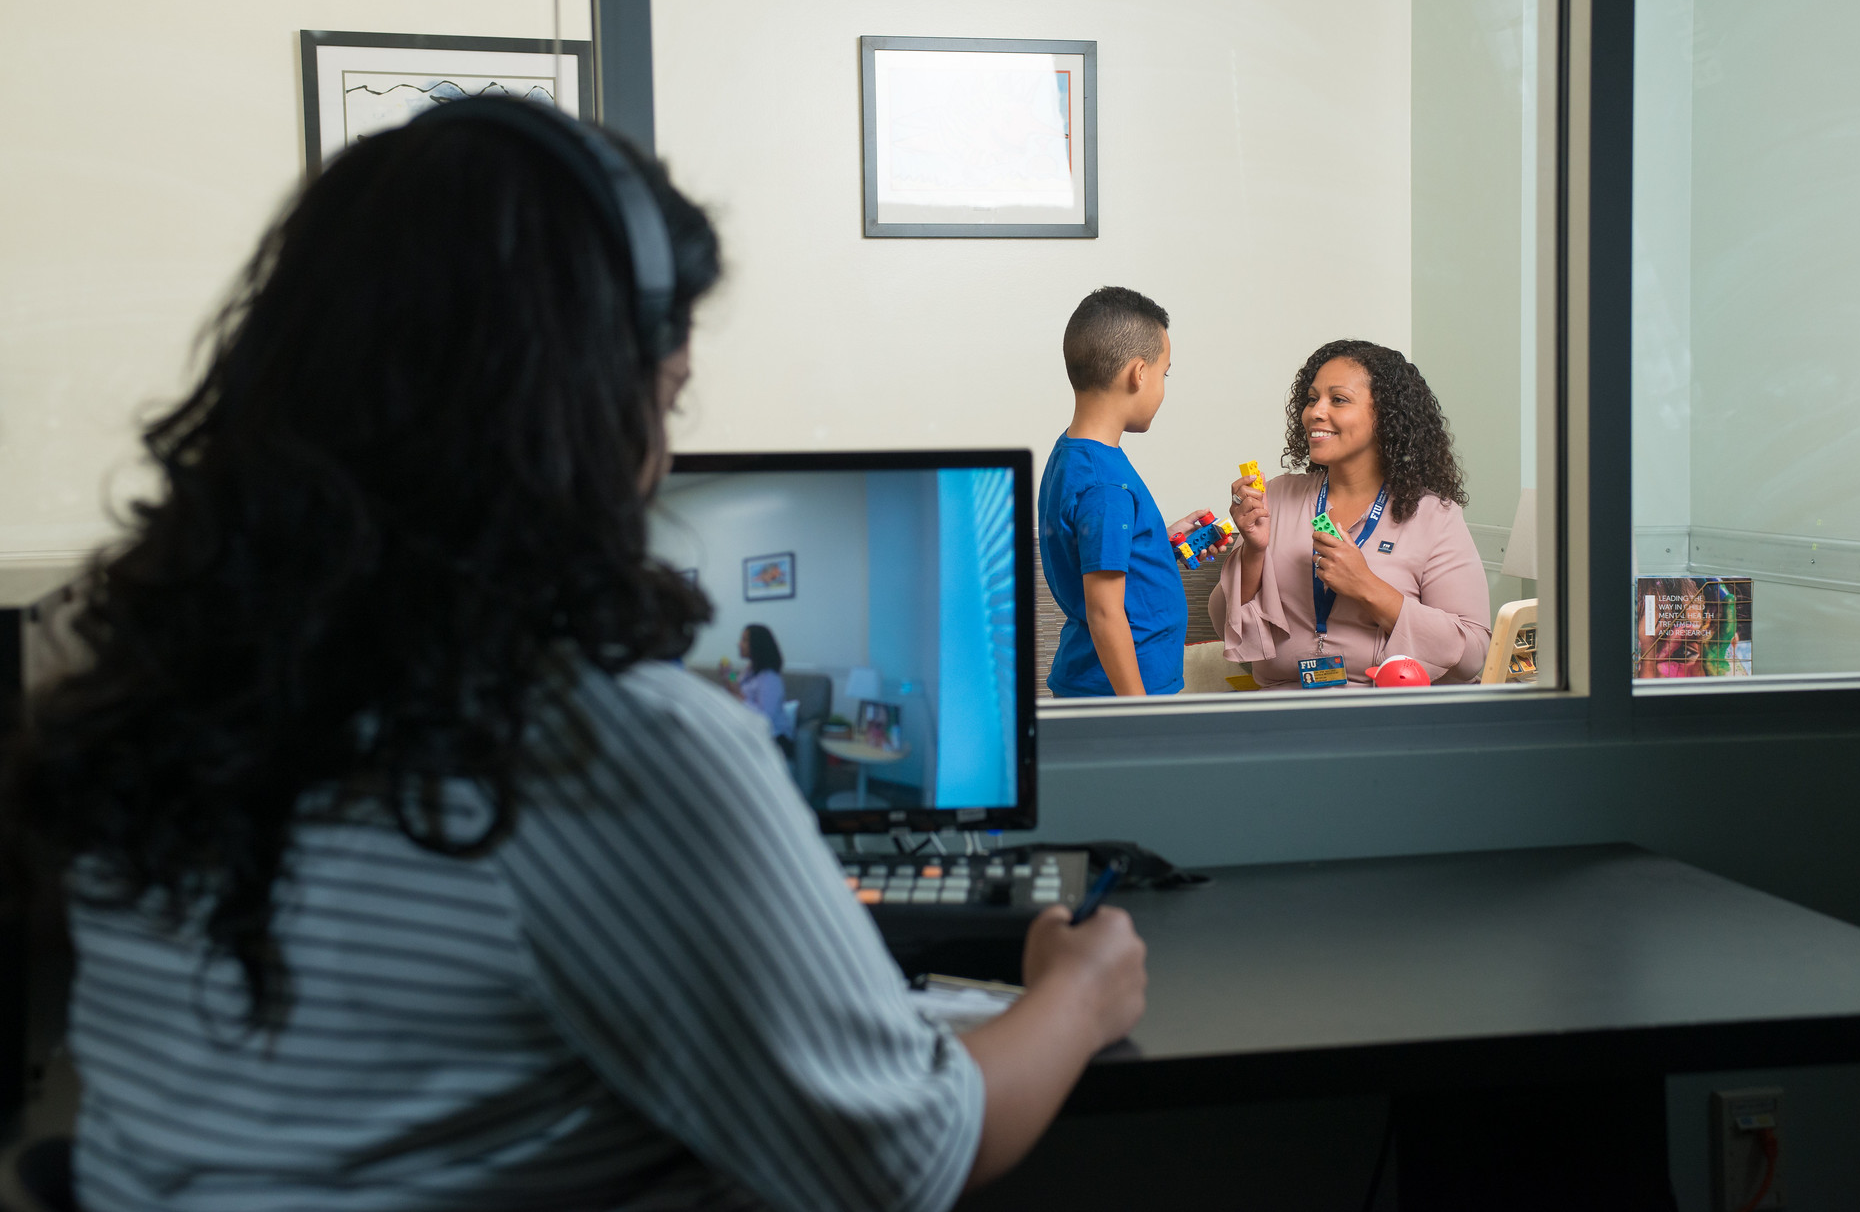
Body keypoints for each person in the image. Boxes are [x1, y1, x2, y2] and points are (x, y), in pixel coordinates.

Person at [0, 99, 1146, 1212]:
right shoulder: (607, 739)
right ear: (579, 409)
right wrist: (1076, 993)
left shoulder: (137, 671)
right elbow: (905, 1157)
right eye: (666, 396)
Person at [1211, 339, 1492, 687]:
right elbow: (1226, 625)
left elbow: (1471, 655)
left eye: (1338, 399)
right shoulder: (1277, 497)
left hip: (1381, 718)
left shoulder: (1435, 516)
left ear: (1386, 416)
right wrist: (1253, 552)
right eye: (1312, 398)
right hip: (1283, 713)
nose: (1315, 411)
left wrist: (1367, 587)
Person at [1038, 286, 1218, 698]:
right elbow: (1104, 612)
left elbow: (1096, 550)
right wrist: (1138, 714)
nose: (1162, 386)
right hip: (1121, 693)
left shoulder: (1073, 454)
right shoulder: (1105, 484)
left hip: (1101, 685)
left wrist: (1158, 544)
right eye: (1164, 373)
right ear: (1139, 374)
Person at [728, 622, 795, 760]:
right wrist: (729, 674)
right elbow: (737, 685)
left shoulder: (770, 678)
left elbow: (764, 718)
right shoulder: (750, 669)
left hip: (774, 738)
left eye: (744, 640)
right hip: (751, 731)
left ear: (757, 645)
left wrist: (738, 696)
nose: (739, 644)